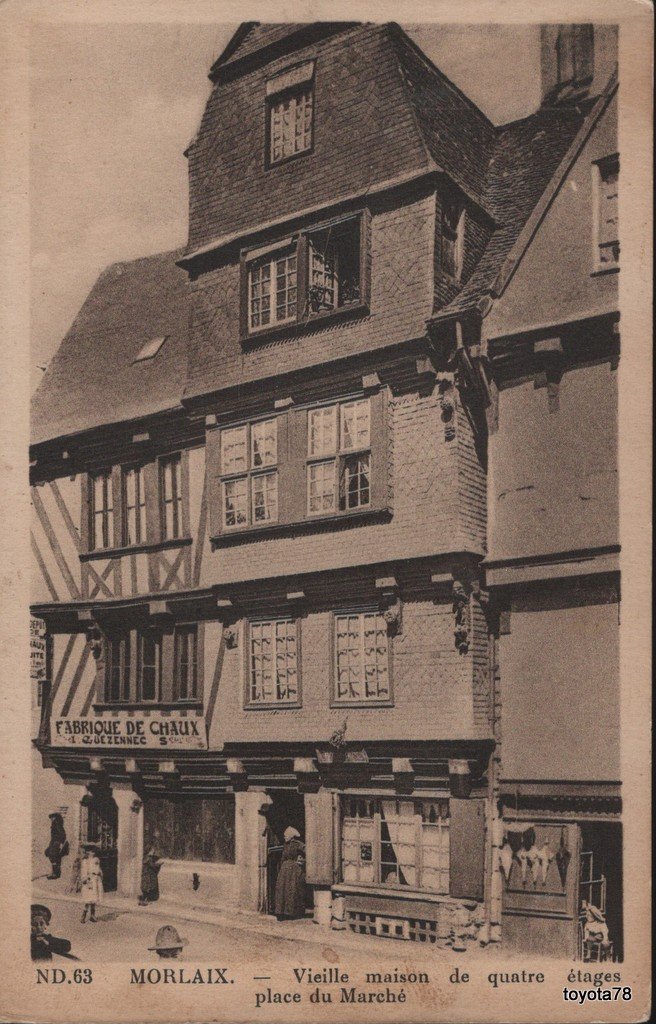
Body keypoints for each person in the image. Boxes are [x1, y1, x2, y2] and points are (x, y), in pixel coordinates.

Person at [274, 826, 306, 921]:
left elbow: (307, 851)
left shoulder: (298, 844)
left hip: (293, 870)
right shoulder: (285, 845)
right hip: (284, 869)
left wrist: (301, 861)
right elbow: (283, 857)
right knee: (281, 888)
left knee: (292, 890)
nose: (285, 837)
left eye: (286, 835)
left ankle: (291, 913)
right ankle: (281, 912)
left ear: (292, 836)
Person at [79, 842, 103, 923]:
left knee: (94, 898)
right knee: (88, 899)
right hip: (89, 880)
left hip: (96, 879)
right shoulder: (85, 861)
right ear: (87, 852)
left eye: (93, 851)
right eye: (90, 851)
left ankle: (92, 915)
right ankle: (84, 914)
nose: (92, 853)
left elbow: (98, 868)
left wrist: (100, 873)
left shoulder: (96, 860)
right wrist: (85, 878)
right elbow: (83, 871)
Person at [45, 812, 68, 880]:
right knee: (50, 855)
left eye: (53, 817)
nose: (51, 819)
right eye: (51, 818)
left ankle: (55, 873)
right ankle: (55, 873)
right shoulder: (55, 824)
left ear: (55, 817)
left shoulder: (57, 824)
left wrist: (61, 843)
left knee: (53, 857)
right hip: (54, 842)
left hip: (56, 843)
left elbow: (63, 834)